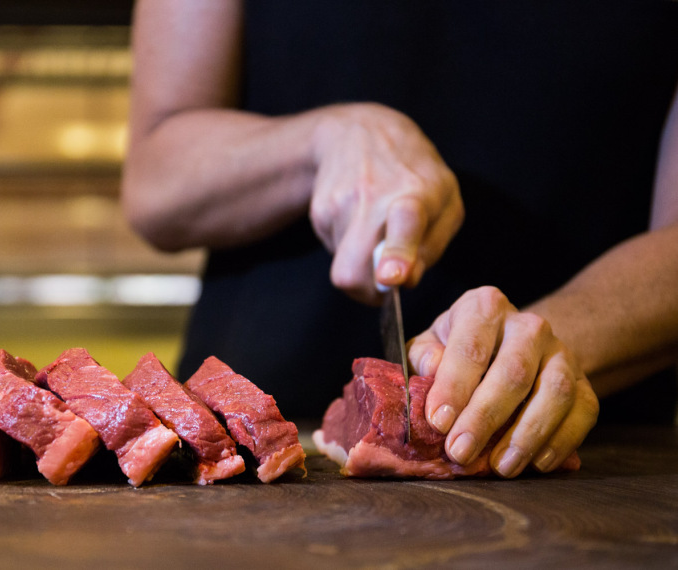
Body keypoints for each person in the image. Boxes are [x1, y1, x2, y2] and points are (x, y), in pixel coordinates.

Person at [121, 0, 678, 479]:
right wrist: (320, 143)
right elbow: (154, 180)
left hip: (570, 449)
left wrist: (537, 352)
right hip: (245, 449)